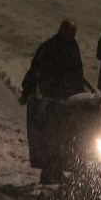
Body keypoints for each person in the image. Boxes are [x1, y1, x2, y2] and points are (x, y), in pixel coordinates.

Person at [19, 19, 84, 184]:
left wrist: (78, 92)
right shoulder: (48, 47)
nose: (70, 36)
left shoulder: (73, 47)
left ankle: (56, 169)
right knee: (50, 137)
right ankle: (49, 170)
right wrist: (27, 90)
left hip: (67, 100)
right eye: (68, 32)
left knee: (64, 137)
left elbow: (77, 72)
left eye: (72, 33)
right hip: (51, 99)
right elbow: (36, 69)